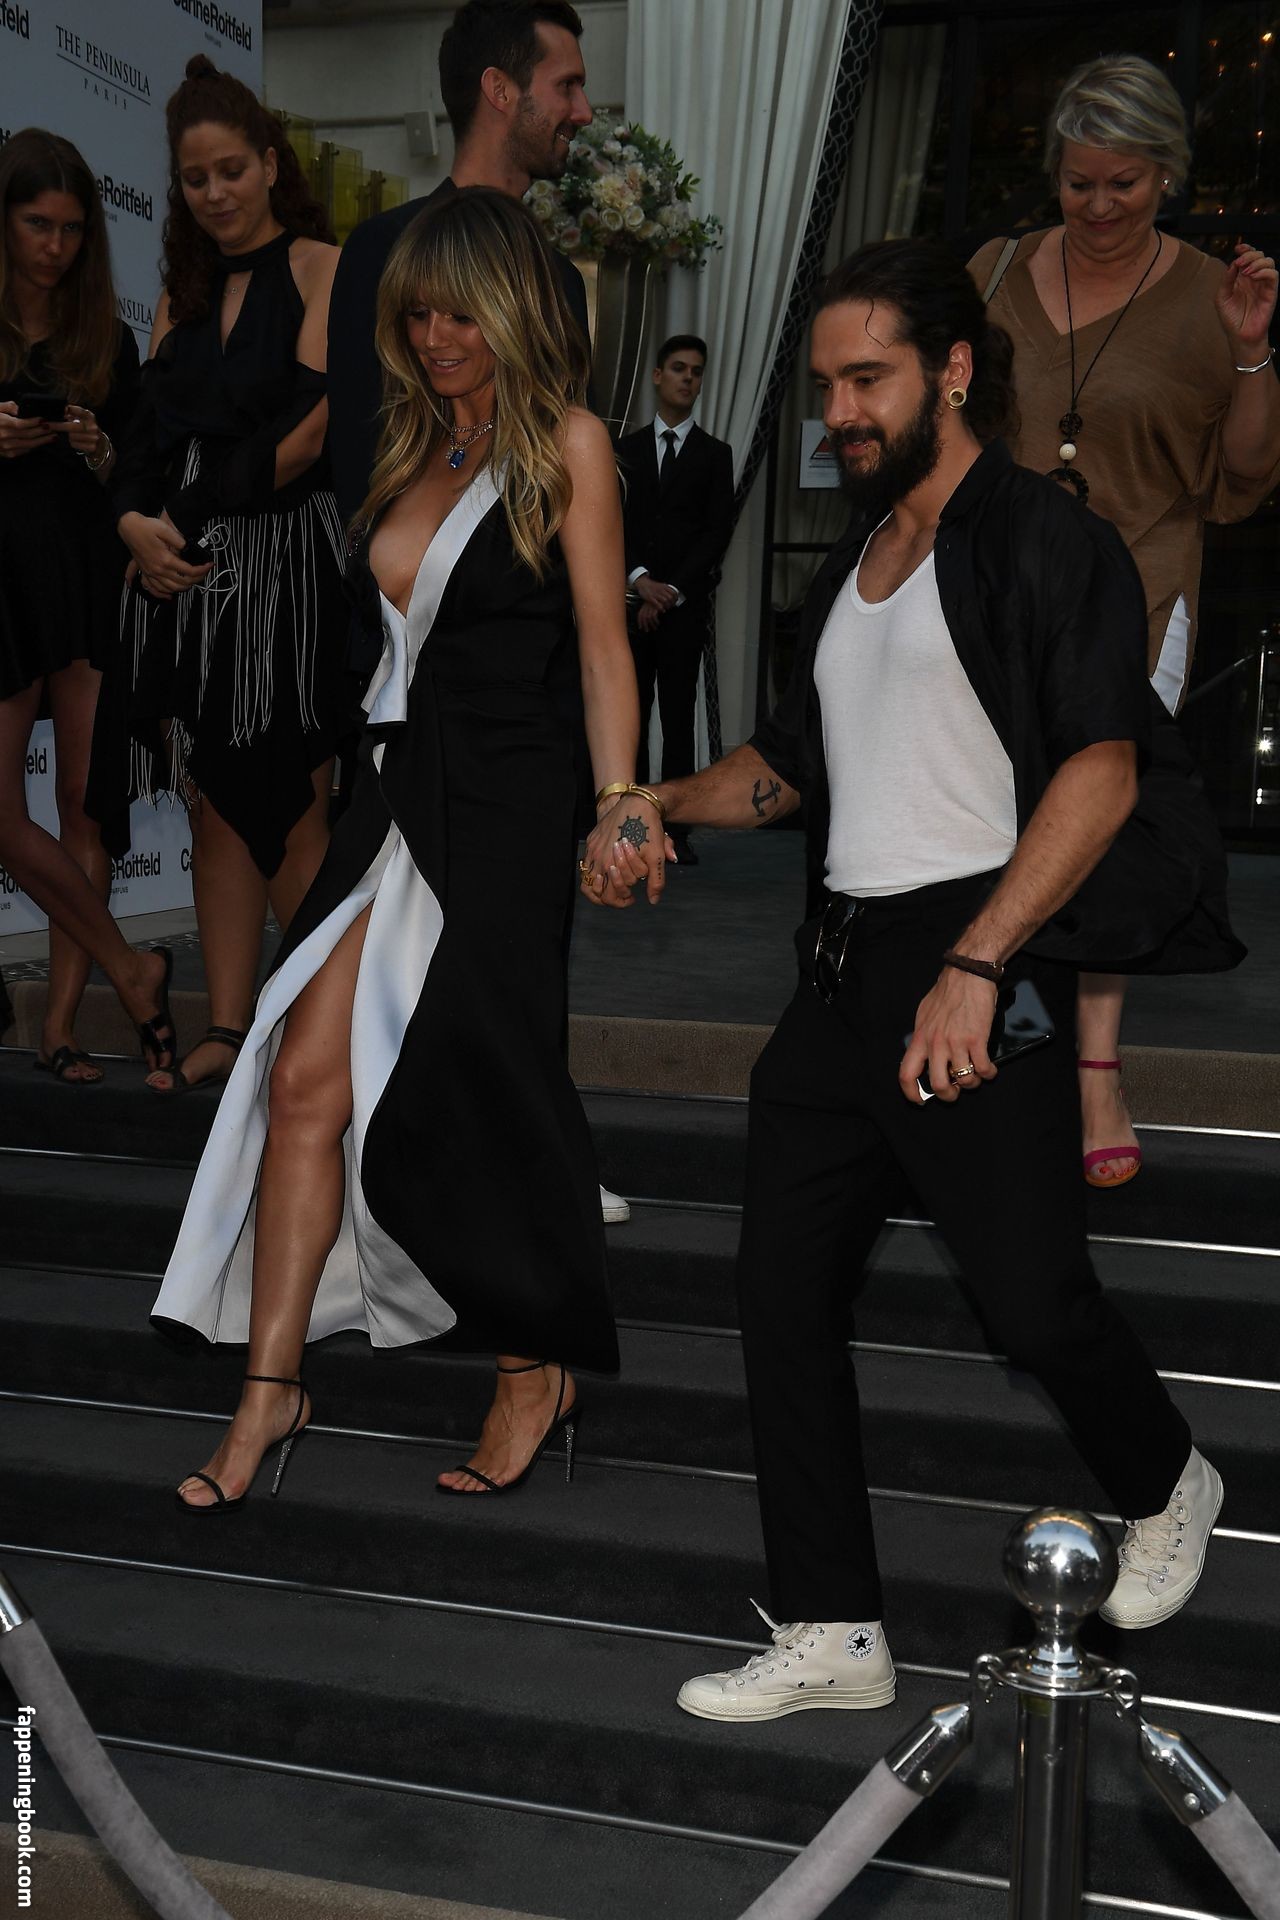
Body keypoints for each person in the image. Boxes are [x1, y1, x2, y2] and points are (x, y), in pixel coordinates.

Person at [601, 240, 1241, 1719]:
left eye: (866, 379)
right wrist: (651, 801)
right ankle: (833, 1626)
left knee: (1030, 1305)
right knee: (779, 1298)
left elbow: (1099, 770)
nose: (839, 411)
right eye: (824, 386)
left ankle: (1167, 1477)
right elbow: (785, 770)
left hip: (971, 951)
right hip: (838, 974)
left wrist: (977, 960)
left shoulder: (1043, 539)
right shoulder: (854, 566)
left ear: (952, 371)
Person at [151, 187, 663, 1510]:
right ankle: (269, 1391)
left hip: (502, 801)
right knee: (302, 1076)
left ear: (513, 312)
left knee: (481, 1074)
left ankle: (529, 1365)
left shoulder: (568, 445)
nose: (435, 338)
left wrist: (620, 796)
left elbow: (602, 646)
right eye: (419, 316)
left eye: (460, 316)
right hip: (391, 793)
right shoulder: (410, 444)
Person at [969, 54, 1280, 1188]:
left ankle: (1096, 1065)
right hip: (996, 593)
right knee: (988, 813)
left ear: (1167, 177)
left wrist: (1250, 349)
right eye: (1078, 182)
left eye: (1125, 184)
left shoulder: (1209, 293)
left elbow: (1244, 480)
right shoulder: (994, 270)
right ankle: (1001, 1022)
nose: (1098, 206)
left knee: (1096, 820)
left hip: (1138, 595)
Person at [88, 57, 348, 1095]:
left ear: (271, 165)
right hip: (186, 582)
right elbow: (144, 441)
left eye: (231, 169)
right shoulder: (178, 300)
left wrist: (177, 524)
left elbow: (311, 431)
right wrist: (130, 525)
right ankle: (232, 1029)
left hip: (285, 569)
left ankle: (334, 1036)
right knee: (210, 802)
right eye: (195, 178)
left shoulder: (325, 268)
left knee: (291, 802)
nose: (215, 191)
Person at [0, 129, 176, 1085]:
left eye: (72, 229)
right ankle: (131, 969)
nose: (55, 246)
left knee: (83, 808)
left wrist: (100, 450)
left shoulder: (105, 339)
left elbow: (136, 479)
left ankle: (61, 1027)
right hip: (1, 585)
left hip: (82, 578)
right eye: (38, 224)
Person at [326, 0, 592, 526]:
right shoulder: (385, 248)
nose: (583, 111)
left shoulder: (559, 279)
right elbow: (359, 450)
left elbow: (568, 468)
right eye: (567, 86)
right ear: (500, 90)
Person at [615, 335, 734, 866]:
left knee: (680, 720)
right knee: (631, 718)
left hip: (682, 612)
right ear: (658, 376)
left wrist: (668, 593)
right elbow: (613, 524)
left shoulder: (715, 454)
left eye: (697, 371)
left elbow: (715, 533)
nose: (689, 378)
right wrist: (640, 581)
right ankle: (630, 829)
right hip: (629, 606)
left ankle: (677, 832)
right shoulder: (625, 451)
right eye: (680, 368)